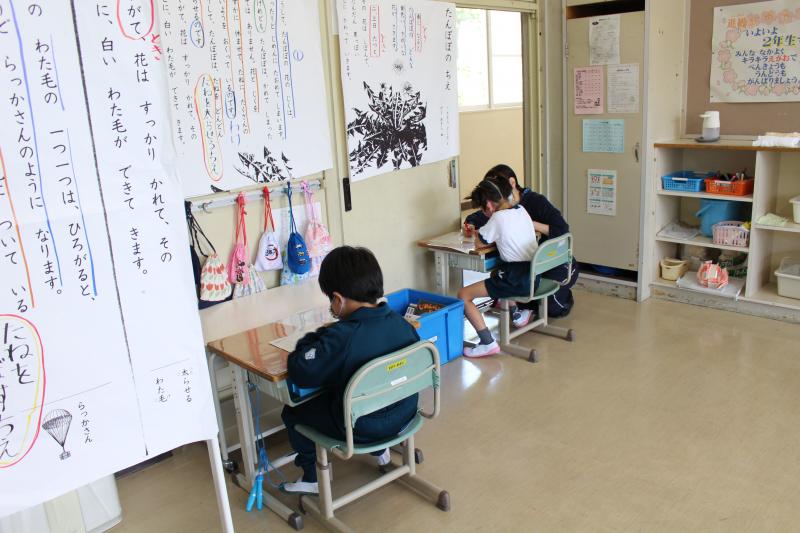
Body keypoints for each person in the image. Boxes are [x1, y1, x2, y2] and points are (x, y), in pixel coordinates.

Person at [279, 246, 420, 495]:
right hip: (405, 413)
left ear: (338, 299)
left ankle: (312, 477)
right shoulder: (403, 324)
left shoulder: (341, 338)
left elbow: (300, 369)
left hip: (360, 428)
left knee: (293, 410)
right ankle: (381, 451)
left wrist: (316, 337)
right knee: (365, 390)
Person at [464, 164, 578, 319]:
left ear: (511, 183)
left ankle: (525, 307)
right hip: (527, 268)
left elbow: (562, 229)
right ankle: (518, 310)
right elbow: (478, 217)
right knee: (512, 281)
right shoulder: (502, 210)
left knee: (552, 307)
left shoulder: (533, 203)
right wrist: (470, 224)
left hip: (553, 262)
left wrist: (529, 224)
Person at [458, 179, 538, 358]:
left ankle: (487, 342)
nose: (483, 212)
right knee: (497, 271)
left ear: (488, 205)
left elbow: (479, 244)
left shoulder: (497, 218)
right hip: (533, 275)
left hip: (516, 279)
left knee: (463, 295)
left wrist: (476, 232)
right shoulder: (521, 210)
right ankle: (517, 315)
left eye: (482, 209)